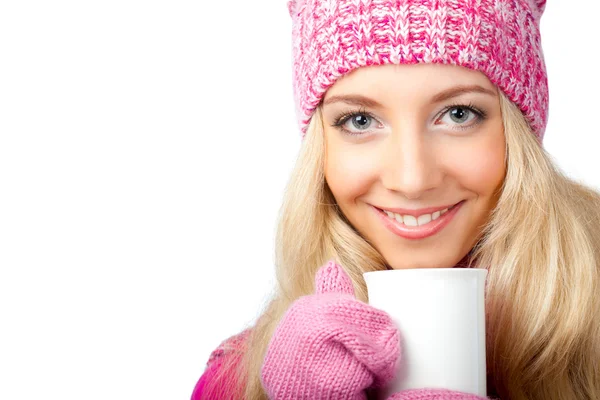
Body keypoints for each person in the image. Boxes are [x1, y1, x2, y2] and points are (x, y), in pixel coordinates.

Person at [192, 0, 600, 398]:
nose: (412, 180)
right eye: (360, 120)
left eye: (459, 114)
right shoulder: (236, 383)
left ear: (520, 132)